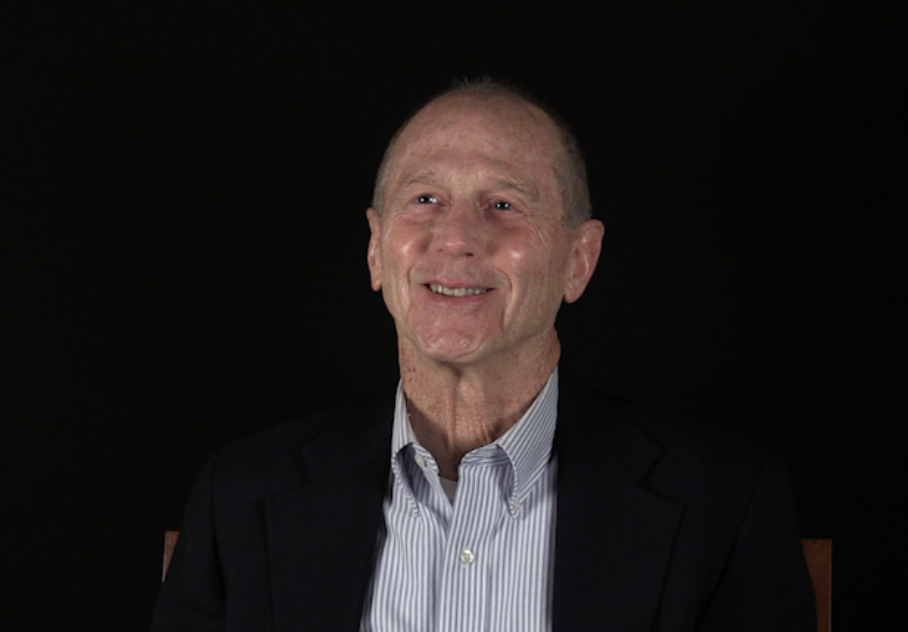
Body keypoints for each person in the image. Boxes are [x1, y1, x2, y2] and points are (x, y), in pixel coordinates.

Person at [152, 79, 816, 631]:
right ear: (377, 252)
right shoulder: (240, 495)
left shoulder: (724, 503)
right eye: (425, 199)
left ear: (578, 261)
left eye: (503, 203)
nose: (458, 237)